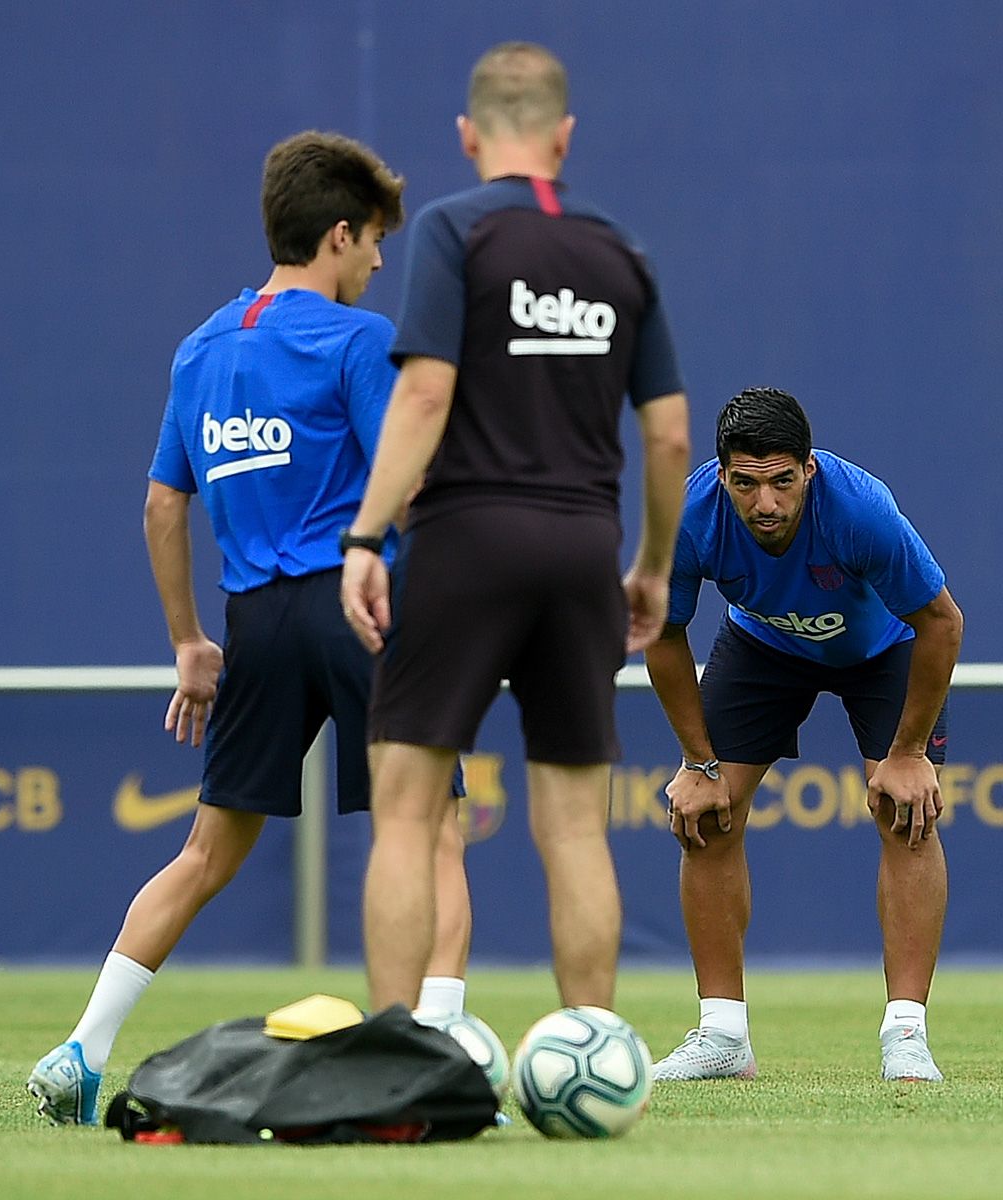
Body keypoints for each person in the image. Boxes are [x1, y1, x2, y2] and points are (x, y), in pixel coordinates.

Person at [28, 132, 476, 1126]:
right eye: (371, 249)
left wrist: (190, 643)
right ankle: (431, 1048)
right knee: (432, 830)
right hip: (362, 609)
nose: (374, 269)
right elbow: (404, 489)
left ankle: (82, 1046)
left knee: (203, 855)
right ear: (340, 234)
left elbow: (160, 507)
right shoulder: (360, 341)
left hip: (254, 621)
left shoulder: (200, 347)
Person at [340, 42, 691, 1016]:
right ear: (565, 137)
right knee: (575, 828)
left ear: (468, 135)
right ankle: (594, 1053)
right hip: (584, 547)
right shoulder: (623, 252)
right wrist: (652, 566)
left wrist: (367, 539)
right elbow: (668, 438)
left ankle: (391, 1054)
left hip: (464, 539)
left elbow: (424, 395)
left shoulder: (453, 232)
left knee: (407, 816)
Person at [641, 387, 962, 1084]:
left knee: (906, 815)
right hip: (765, 644)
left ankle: (906, 1033)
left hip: (886, 646)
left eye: (783, 481)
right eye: (747, 484)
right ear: (721, 475)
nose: (766, 504)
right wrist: (698, 761)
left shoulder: (860, 512)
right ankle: (722, 1037)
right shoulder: (689, 516)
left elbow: (942, 622)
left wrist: (907, 754)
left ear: (809, 470)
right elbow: (661, 635)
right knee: (707, 817)